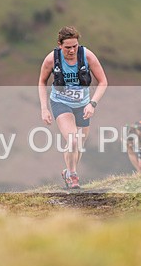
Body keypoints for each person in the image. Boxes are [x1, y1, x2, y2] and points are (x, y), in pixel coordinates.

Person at [38, 26, 108, 189]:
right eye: (67, 47)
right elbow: (42, 81)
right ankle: (73, 176)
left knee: (78, 145)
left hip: (83, 105)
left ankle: (68, 172)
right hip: (60, 102)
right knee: (72, 140)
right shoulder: (51, 59)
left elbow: (103, 82)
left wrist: (93, 103)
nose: (71, 50)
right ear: (60, 45)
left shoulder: (87, 56)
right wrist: (44, 108)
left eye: (74, 46)